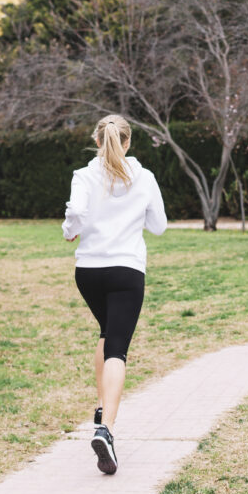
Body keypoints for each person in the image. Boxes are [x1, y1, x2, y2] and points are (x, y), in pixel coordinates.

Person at [62, 114, 167, 474]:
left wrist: (70, 230)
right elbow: (159, 226)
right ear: (128, 142)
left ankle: (100, 406)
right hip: (126, 271)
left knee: (107, 333)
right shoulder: (145, 177)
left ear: (97, 140)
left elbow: (74, 213)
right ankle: (106, 429)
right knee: (118, 347)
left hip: (88, 272)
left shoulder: (83, 175)